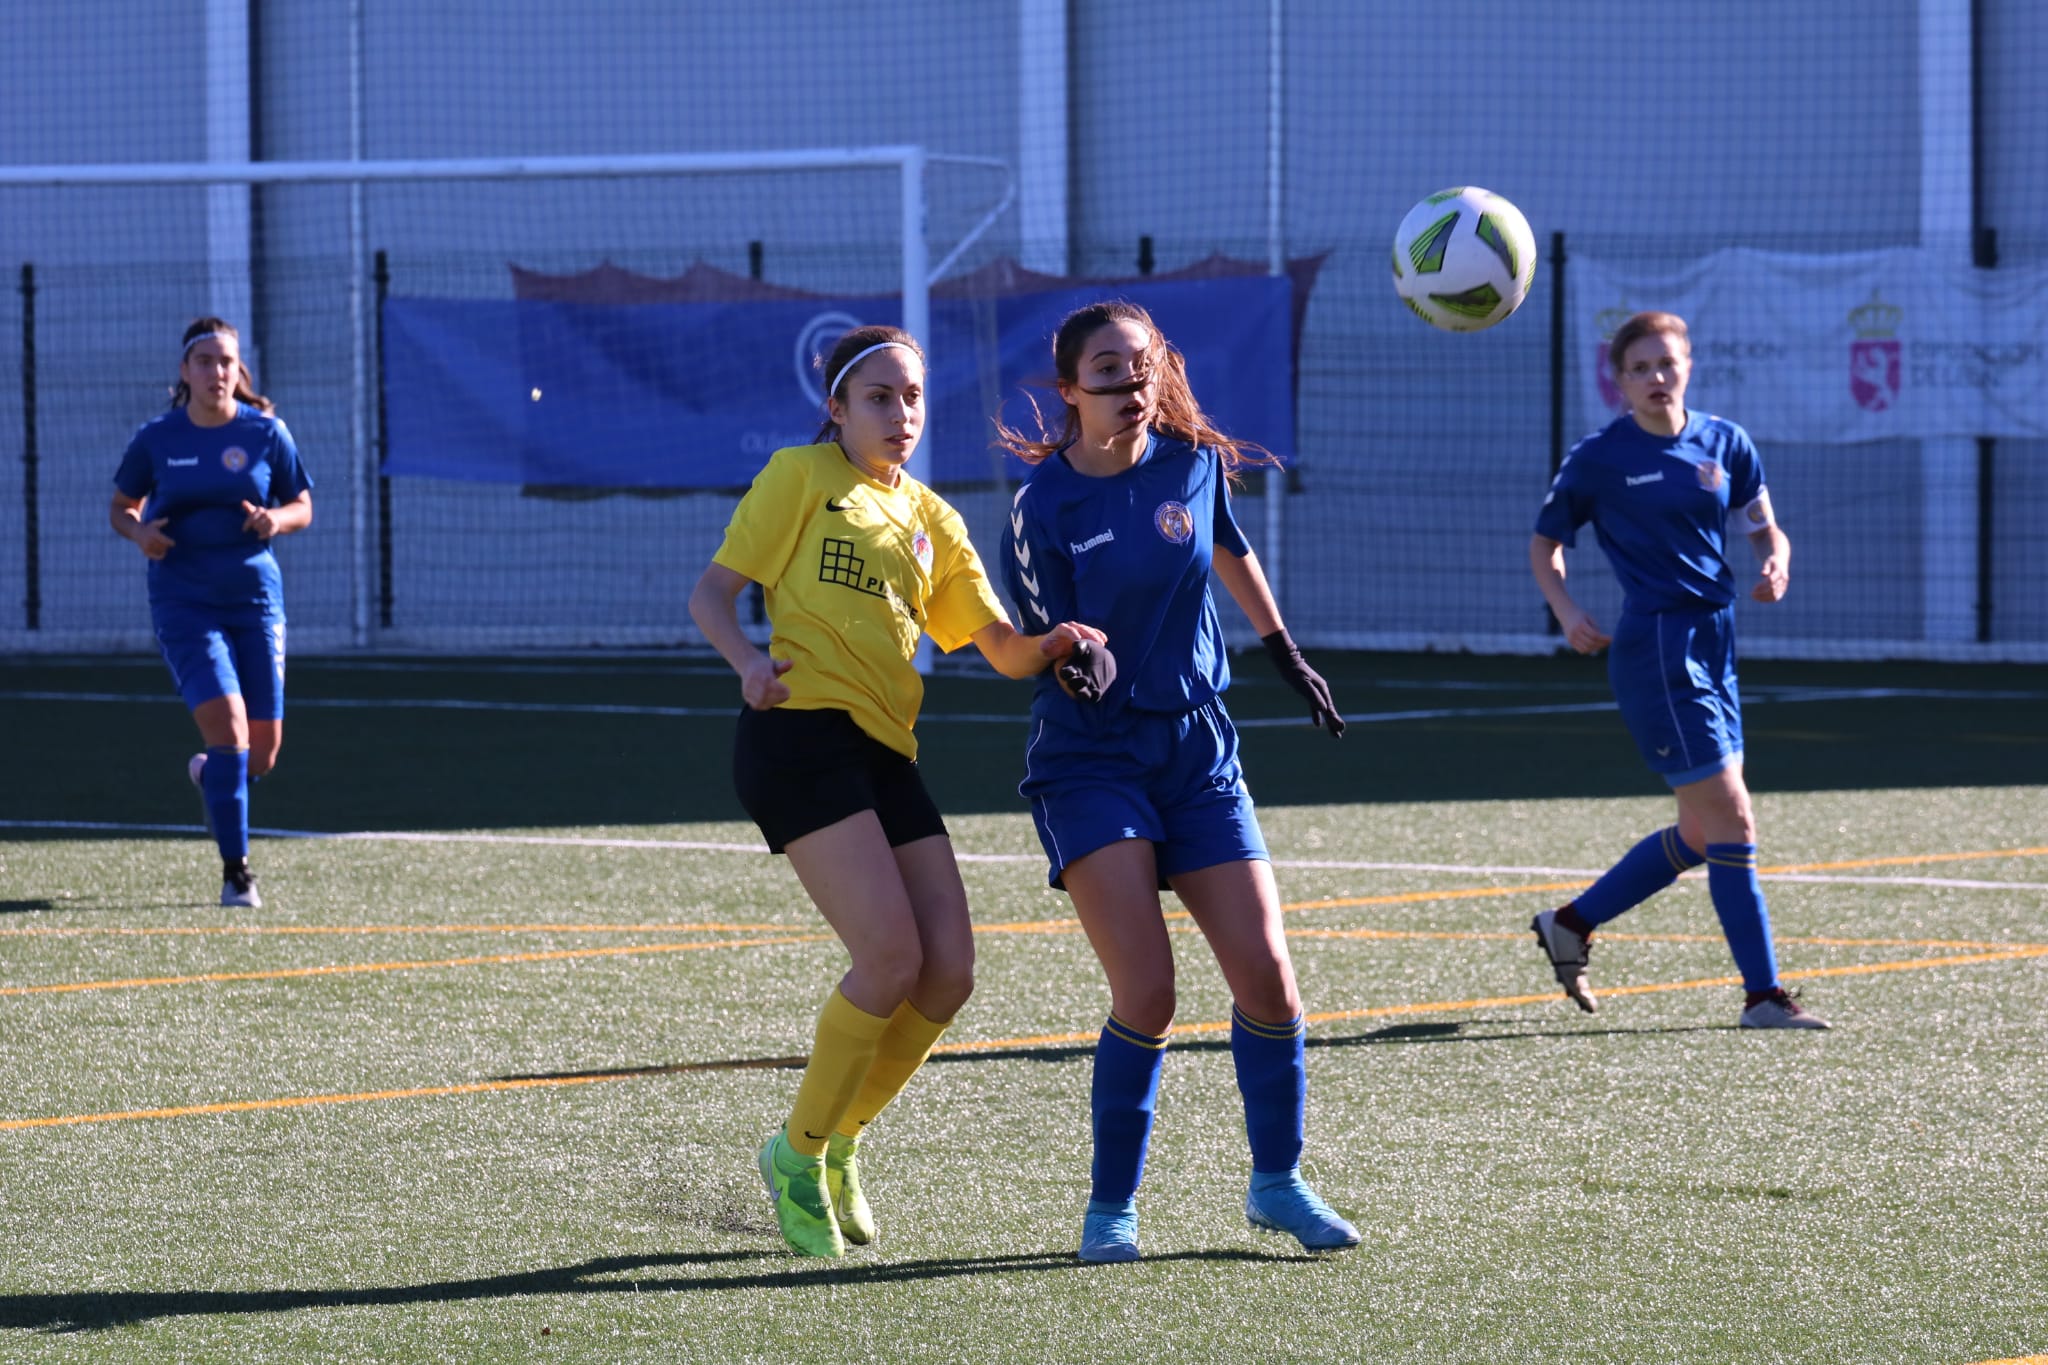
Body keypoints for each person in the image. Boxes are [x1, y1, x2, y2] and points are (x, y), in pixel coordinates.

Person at [688, 325, 1107, 1259]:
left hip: (883, 752)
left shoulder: (934, 520)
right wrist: (748, 662)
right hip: (795, 737)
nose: (901, 414)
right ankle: (794, 1155)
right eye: (879, 397)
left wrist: (1055, 643)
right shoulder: (799, 476)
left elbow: (998, 645)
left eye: (913, 396)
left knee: (948, 971)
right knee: (887, 957)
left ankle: (841, 1138)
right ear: (836, 408)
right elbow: (712, 594)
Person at [995, 299, 1359, 1263]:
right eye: (1109, 371)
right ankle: (1109, 1208)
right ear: (1069, 391)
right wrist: (1074, 658)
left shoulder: (1192, 464)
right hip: (1093, 761)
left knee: (1270, 980)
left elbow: (1228, 546)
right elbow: (1040, 639)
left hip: (1199, 751)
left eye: (1143, 366)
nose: (1132, 385)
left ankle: (1277, 1182)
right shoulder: (1043, 510)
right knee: (1148, 992)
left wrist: (1283, 651)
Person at [1527, 310, 1827, 1031]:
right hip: (1657, 648)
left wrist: (1775, 558)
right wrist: (1567, 611)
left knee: (1700, 831)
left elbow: (1763, 523)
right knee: (1733, 814)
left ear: (1688, 366)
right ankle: (1763, 996)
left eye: (1667, 363)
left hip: (1717, 640)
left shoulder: (1726, 442)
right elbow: (1546, 546)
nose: (1657, 377)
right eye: (1640, 368)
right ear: (1620, 380)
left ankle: (1569, 922)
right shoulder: (1600, 457)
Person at [111, 317, 313, 909]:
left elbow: (302, 504)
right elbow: (122, 507)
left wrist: (275, 520)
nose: (216, 372)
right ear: (185, 372)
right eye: (204, 361)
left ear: (238, 371)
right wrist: (140, 533)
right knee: (228, 730)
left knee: (261, 751)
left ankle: (211, 776)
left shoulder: (267, 433)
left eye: (226, 361)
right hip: (184, 599)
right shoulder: (158, 438)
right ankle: (237, 873)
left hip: (254, 597)